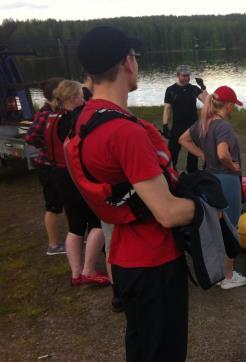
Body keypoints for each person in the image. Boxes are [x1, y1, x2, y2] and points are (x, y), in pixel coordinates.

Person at [68, 26, 196, 361]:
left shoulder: (82, 123)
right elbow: (167, 213)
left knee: (141, 348)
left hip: (124, 258)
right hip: (155, 263)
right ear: (127, 62)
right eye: (136, 57)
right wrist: (208, 207)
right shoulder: (125, 133)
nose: (137, 63)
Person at [178, 85, 246, 290]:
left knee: (216, 223)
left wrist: (202, 155)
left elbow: (183, 139)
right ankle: (228, 276)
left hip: (210, 179)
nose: (234, 109)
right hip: (227, 179)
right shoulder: (223, 126)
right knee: (230, 225)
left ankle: (217, 269)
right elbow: (222, 153)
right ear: (227, 105)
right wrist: (231, 166)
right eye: (233, 105)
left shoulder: (204, 122)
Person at [46, 80, 109, 285]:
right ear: (73, 98)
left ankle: (75, 274)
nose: (84, 99)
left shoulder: (51, 116)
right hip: (73, 175)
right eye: (81, 95)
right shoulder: (73, 118)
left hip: (56, 173)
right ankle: (88, 271)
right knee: (98, 221)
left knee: (75, 225)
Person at [25, 77, 66, 255]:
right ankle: (54, 245)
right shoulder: (45, 113)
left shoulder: (59, 111)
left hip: (59, 165)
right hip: (48, 166)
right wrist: (48, 146)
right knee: (53, 206)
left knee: (69, 201)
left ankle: (77, 235)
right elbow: (30, 136)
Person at [163, 65, 207, 173]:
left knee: (193, 153)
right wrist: (165, 126)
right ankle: (171, 173)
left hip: (193, 126)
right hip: (177, 126)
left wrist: (203, 87)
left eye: (188, 76)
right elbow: (167, 108)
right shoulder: (170, 90)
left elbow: (207, 101)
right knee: (172, 152)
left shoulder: (193, 89)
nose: (186, 78)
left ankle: (192, 172)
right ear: (178, 75)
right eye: (184, 76)